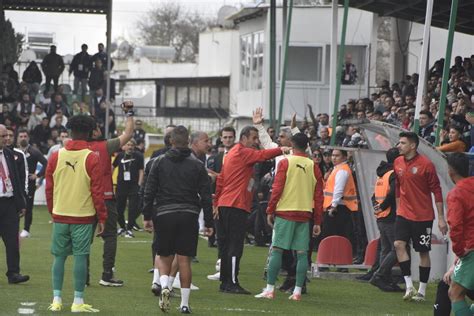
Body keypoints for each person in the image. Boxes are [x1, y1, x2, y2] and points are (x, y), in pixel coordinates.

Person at [143, 126, 214, 313]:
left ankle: (164, 285)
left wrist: (147, 216)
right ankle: (184, 304)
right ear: (188, 141)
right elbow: (206, 196)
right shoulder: (197, 165)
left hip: (165, 213)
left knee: (164, 256)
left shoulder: (158, 162)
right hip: (189, 215)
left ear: (171, 141)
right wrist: (208, 222)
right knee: (184, 260)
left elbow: (149, 192)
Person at [214, 126, 290, 294]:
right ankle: (232, 282)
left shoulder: (233, 153)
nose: (256, 142)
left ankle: (225, 282)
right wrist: (281, 150)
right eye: (254, 138)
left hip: (227, 204)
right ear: (244, 138)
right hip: (236, 205)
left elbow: (221, 179)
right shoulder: (242, 152)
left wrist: (217, 203)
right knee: (235, 246)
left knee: (226, 245)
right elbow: (261, 155)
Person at [45, 115, 107, 312]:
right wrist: (102, 217)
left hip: (60, 214)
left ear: (70, 132)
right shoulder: (91, 157)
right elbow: (97, 191)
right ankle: (77, 302)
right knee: (81, 257)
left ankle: (56, 300)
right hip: (83, 217)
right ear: (89, 133)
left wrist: (52, 210)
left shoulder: (56, 155)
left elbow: (49, 188)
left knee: (59, 257)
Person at [255, 133, 323, 301]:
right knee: (301, 254)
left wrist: (270, 210)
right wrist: (318, 221)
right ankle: (297, 292)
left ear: (292, 144)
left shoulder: (286, 162)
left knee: (277, 249)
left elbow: (277, 188)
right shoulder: (313, 166)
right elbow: (319, 196)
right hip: (305, 214)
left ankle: (270, 289)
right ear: (307, 145)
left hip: (285, 212)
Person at [393, 131, 447, 302]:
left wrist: (440, 217)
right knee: (398, 244)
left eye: (402, 143)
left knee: (423, 252)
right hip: (403, 214)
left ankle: (422, 291)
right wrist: (397, 208)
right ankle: (409, 285)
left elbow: (436, 191)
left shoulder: (426, 164)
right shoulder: (397, 162)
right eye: (398, 142)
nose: (398, 146)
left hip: (423, 216)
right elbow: (397, 187)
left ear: (413, 146)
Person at [88, 101, 134, 287]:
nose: (100, 129)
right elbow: (128, 133)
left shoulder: (73, 148)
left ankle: (83, 275)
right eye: (97, 127)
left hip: (84, 200)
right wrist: (129, 111)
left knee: (83, 239)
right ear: (94, 131)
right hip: (106, 198)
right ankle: (107, 275)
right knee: (110, 237)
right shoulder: (104, 146)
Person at [369, 147, 403, 292]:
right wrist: (383, 207)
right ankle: (380, 275)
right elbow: (392, 194)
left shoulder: (381, 174)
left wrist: (377, 208)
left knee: (385, 249)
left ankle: (386, 280)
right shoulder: (393, 174)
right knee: (398, 248)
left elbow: (373, 196)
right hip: (390, 216)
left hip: (381, 217)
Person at [445, 153, 474, 316]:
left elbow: (455, 226)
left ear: (450, 171)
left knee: (454, 293)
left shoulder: (456, 194)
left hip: (471, 249)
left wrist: (460, 251)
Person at [0, 124, 29, 284]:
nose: (7, 139)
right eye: (3, 136)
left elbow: (16, 180)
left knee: (12, 240)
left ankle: (13, 273)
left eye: (8, 136)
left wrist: (21, 203)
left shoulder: (10, 154)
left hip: (9, 203)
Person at [321, 149, 358, 253]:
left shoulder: (342, 170)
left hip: (338, 207)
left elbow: (339, 189)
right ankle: (337, 260)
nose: (333, 158)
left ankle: (330, 259)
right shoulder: (338, 169)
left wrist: (333, 206)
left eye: (337, 155)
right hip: (339, 206)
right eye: (333, 155)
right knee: (338, 234)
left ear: (344, 157)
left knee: (331, 234)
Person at [16, 129, 48, 238]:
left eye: (25, 136)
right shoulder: (14, 152)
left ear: (28, 138)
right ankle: (13, 228)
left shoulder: (34, 151)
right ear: (17, 138)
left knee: (28, 206)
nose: (23, 138)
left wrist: (37, 175)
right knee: (14, 206)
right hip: (16, 183)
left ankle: (26, 230)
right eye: (21, 136)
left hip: (29, 183)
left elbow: (46, 163)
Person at [114, 139, 144, 237]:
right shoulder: (120, 155)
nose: (130, 147)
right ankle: (122, 227)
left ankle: (129, 229)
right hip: (121, 185)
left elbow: (141, 170)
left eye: (132, 145)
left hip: (134, 185)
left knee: (132, 208)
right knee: (119, 208)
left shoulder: (138, 156)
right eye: (128, 144)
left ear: (134, 146)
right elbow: (112, 167)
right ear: (125, 146)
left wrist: (139, 184)